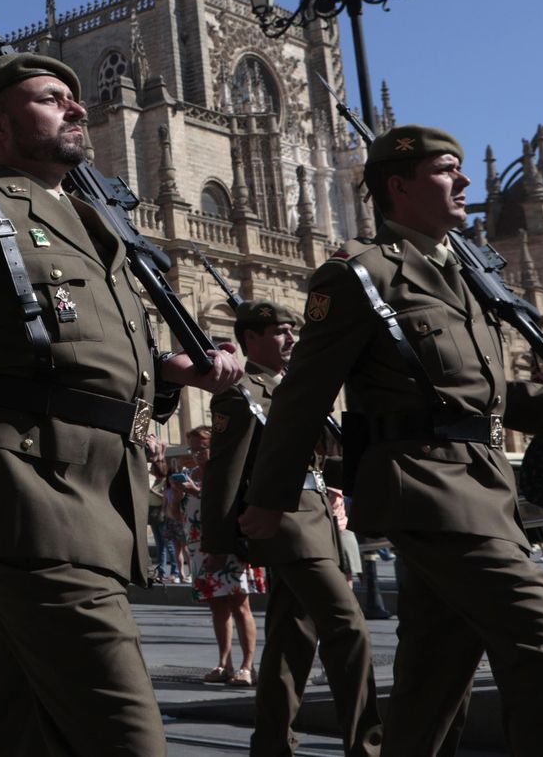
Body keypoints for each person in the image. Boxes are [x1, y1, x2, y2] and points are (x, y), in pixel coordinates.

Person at [0, 53, 243, 756]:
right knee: (126, 733)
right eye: (52, 98)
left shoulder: (94, 224)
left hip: (101, 496)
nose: (78, 108)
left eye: (74, 97)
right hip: (25, 497)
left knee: (18, 721)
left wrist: (169, 374)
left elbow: (77, 358)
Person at [241, 124, 543, 757]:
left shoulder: (467, 275)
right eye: (445, 169)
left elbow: (488, 395)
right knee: (541, 640)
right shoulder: (359, 275)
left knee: (432, 683)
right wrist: (269, 500)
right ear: (399, 187)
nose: (464, 180)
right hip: (428, 490)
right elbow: (302, 396)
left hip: (488, 491)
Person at [201, 300, 381, 755]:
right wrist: (218, 542)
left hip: (318, 521)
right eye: (280, 331)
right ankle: (368, 746)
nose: (291, 338)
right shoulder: (240, 393)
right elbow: (225, 469)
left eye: (292, 330)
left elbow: (317, 463)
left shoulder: (296, 387)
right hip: (287, 526)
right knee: (348, 627)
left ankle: (271, 745)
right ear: (250, 338)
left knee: (291, 642)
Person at [172, 426, 266, 685]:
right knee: (217, 608)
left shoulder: (227, 472)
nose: (197, 454)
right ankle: (224, 664)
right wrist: (177, 496)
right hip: (199, 549)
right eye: (193, 449)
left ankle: (248, 666)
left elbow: (228, 505)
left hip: (228, 546)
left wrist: (195, 492)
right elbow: (175, 514)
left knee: (240, 606)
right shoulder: (190, 475)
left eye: (202, 448)